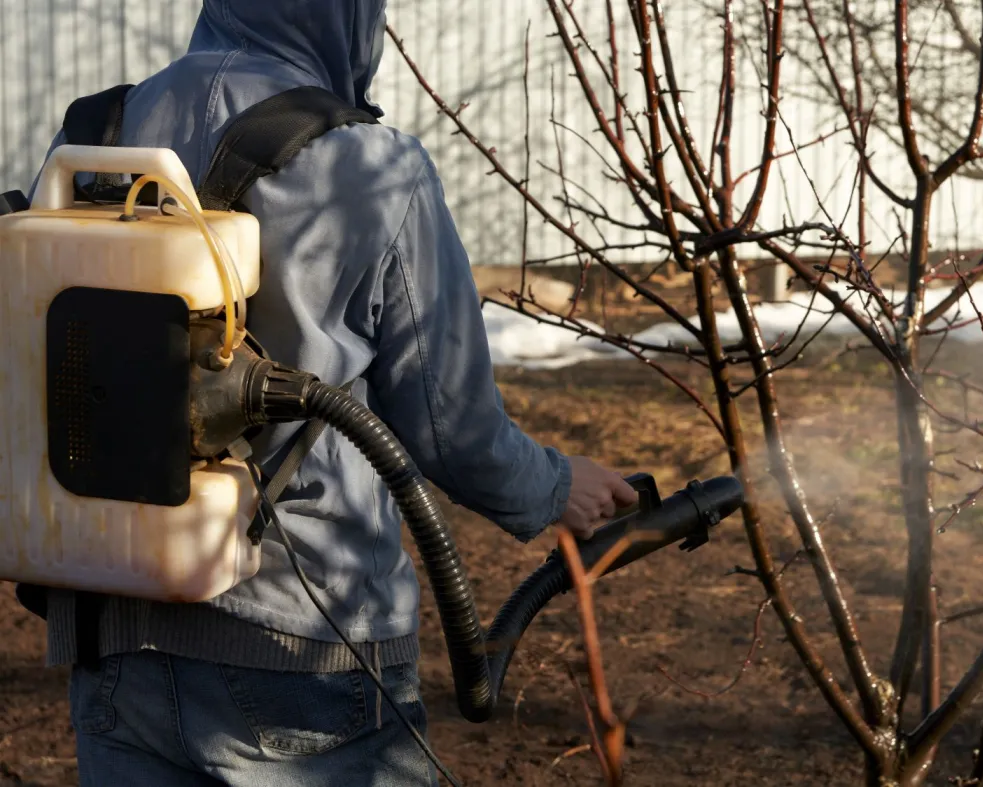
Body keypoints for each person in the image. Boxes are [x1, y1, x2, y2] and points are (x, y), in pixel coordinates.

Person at [24, 1, 639, 785]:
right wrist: (555, 485)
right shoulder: (374, 169)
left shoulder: (96, 137)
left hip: (112, 641)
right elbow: (451, 427)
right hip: (301, 650)